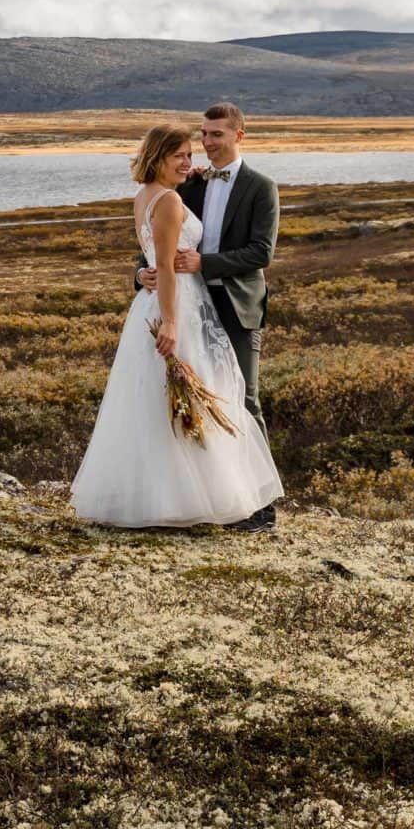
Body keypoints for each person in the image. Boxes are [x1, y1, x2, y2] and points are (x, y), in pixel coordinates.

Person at [74, 124, 284, 529]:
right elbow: (164, 266)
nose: (190, 162)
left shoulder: (145, 196)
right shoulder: (168, 200)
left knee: (158, 400)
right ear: (158, 159)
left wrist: (145, 278)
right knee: (200, 393)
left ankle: (166, 497)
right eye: (180, 157)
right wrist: (170, 320)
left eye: (191, 155)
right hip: (177, 306)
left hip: (160, 306)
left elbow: (157, 256)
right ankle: (207, 499)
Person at [134, 102, 280, 524]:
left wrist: (205, 264)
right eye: (204, 134)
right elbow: (154, 241)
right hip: (188, 305)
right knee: (191, 397)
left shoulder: (260, 186)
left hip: (236, 306)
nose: (208, 142)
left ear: (239, 135)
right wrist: (140, 274)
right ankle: (209, 496)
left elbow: (261, 252)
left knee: (244, 399)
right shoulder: (187, 183)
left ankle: (260, 503)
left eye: (217, 134)